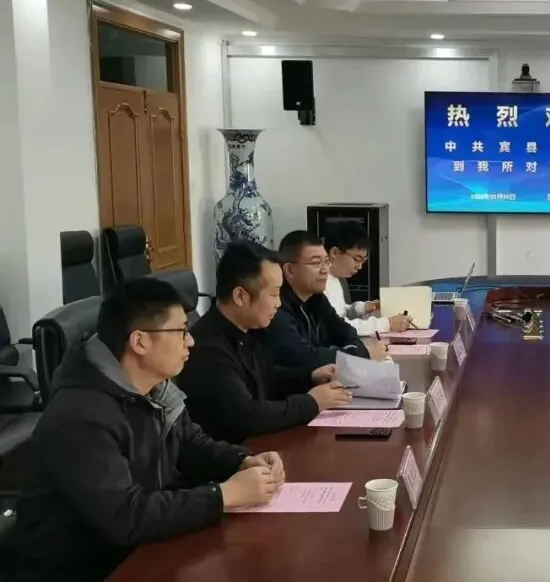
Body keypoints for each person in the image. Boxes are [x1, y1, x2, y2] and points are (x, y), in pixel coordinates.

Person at [3, 279, 285, 582]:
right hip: (81, 569)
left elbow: (190, 443)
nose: (191, 341)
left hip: (137, 551)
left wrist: (241, 460)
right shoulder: (80, 416)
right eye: (181, 331)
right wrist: (223, 495)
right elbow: (124, 516)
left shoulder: (154, 388)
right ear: (139, 342)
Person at [176, 242, 354, 444]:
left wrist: (310, 377)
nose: (278, 303)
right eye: (274, 294)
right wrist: (312, 403)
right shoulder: (208, 349)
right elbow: (248, 416)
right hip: (234, 454)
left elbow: (265, 378)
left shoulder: (249, 329)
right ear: (240, 296)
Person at [267, 230, 378, 369]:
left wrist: (355, 351)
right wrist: (359, 355)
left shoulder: (316, 297)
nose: (325, 270)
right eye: (316, 263)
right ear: (289, 270)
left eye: (326, 262)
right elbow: (302, 357)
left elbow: (345, 331)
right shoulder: (276, 306)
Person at [323, 222, 411, 335]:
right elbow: (336, 326)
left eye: (363, 260)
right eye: (357, 259)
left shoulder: (338, 279)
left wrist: (365, 307)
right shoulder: (316, 284)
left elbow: (340, 312)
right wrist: (386, 324)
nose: (359, 267)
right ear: (334, 253)